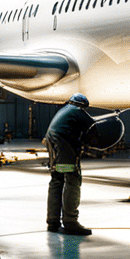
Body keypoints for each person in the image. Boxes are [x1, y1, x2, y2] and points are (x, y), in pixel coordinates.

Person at [44, 93, 96, 235]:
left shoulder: (64, 110)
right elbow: (94, 129)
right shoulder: (78, 112)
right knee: (73, 180)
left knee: (57, 180)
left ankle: (53, 222)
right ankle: (70, 222)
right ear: (83, 105)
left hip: (54, 149)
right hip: (64, 150)